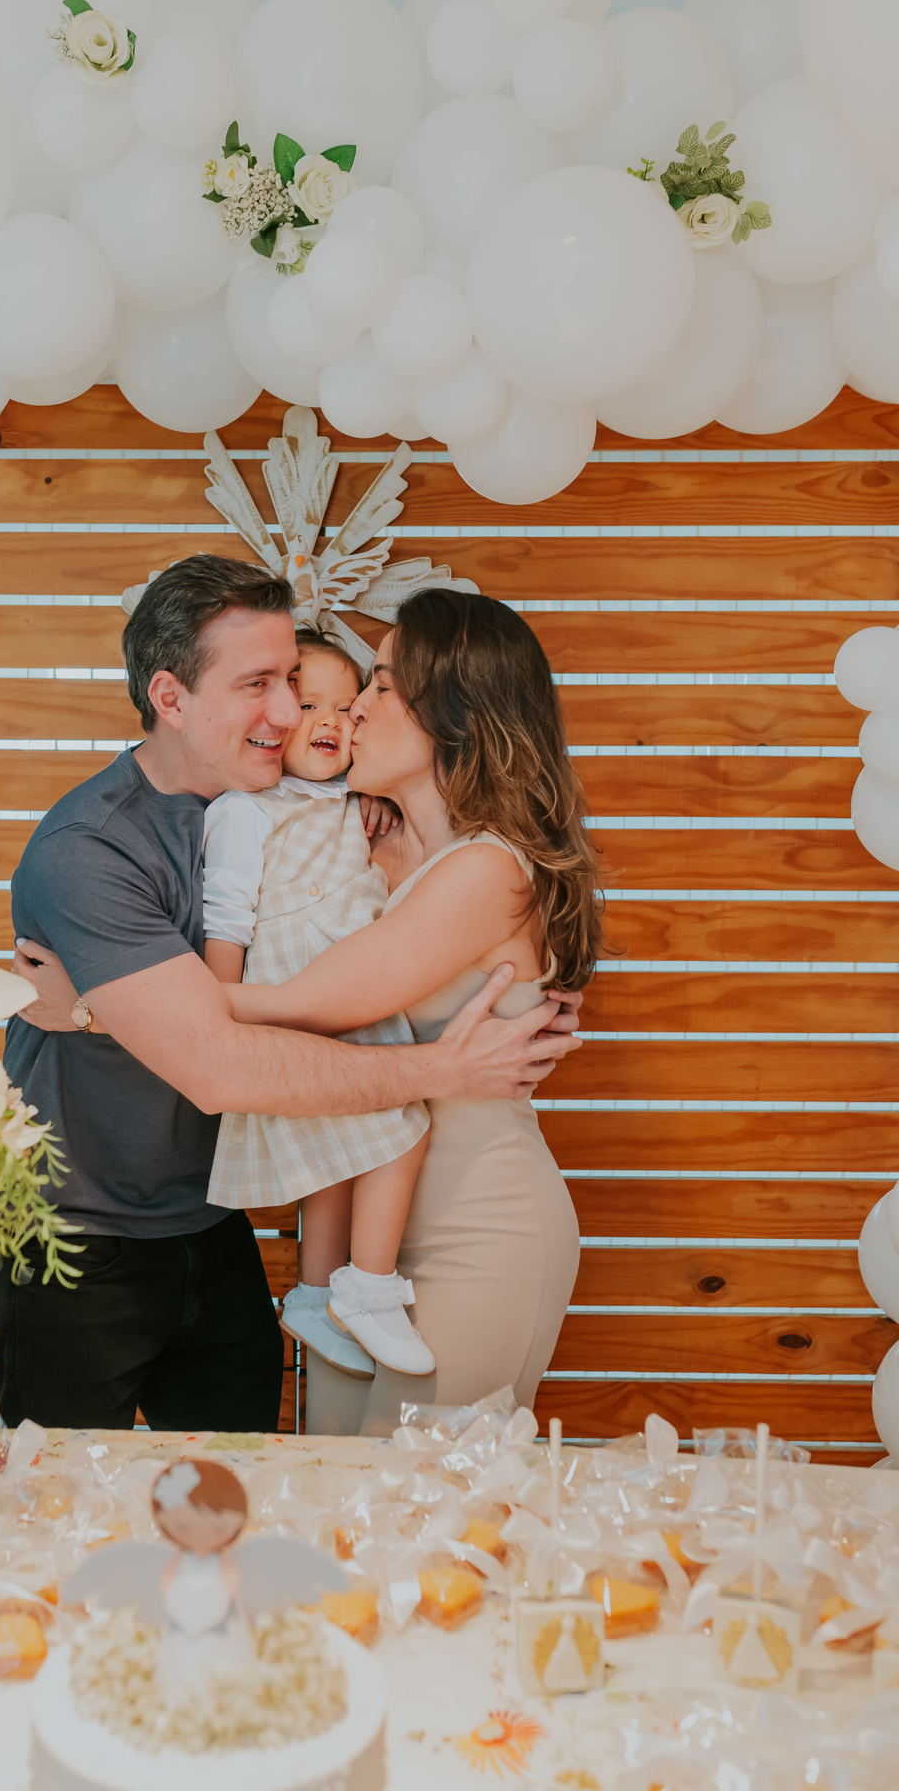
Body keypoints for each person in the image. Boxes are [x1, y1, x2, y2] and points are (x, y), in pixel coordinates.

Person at [1, 557, 584, 1435]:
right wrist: (113, 1006)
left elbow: (342, 991)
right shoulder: (101, 847)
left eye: (363, 688)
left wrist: (94, 1004)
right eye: (262, 685)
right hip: (93, 1235)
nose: (310, 714)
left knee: (363, 1498)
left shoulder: (362, 830)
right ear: (170, 696)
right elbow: (224, 1062)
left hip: (300, 1229)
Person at [221, 588, 606, 1432]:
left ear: (453, 712)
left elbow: (305, 1006)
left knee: (418, 1520)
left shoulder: (490, 871)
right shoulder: (389, 850)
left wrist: (116, 1000)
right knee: (338, 1506)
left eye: (384, 685)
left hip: (477, 1229)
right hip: (368, 1260)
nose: (354, 707)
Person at [202, 628, 433, 1379]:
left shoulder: (359, 806)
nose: (331, 720)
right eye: (308, 705)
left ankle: (313, 1291)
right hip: (292, 1006)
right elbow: (227, 917)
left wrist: (377, 813)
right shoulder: (249, 810)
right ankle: (366, 1286)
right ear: (271, 717)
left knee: (339, 1163)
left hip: (351, 999)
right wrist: (218, 1013)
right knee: (398, 1130)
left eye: (347, 705)